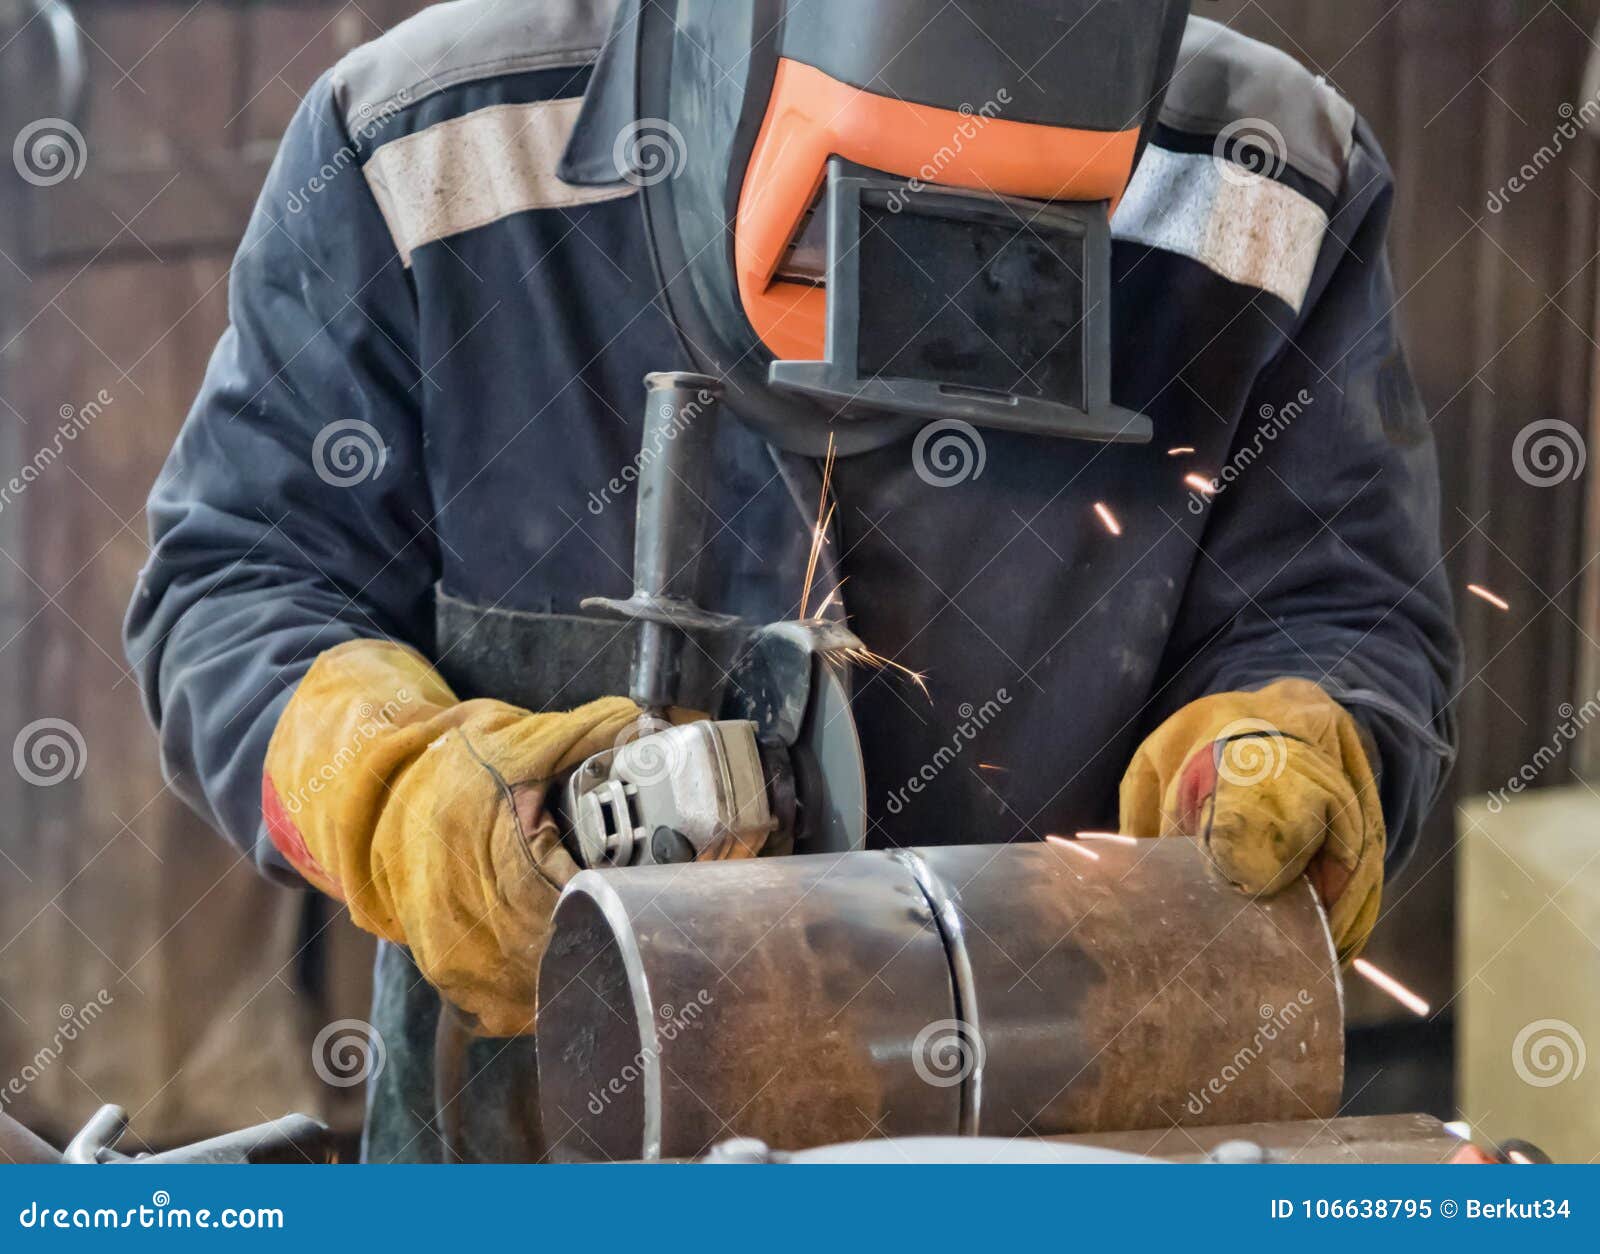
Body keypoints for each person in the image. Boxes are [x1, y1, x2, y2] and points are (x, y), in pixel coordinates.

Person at [125, 0, 1460, 1162]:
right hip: (539, 1172)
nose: (907, 301)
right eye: (854, 220)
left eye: (1011, 245)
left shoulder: (1263, 189)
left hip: (1056, 1158)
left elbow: (1342, 614)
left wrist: (1291, 739)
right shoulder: (429, 149)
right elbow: (234, 584)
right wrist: (389, 790)